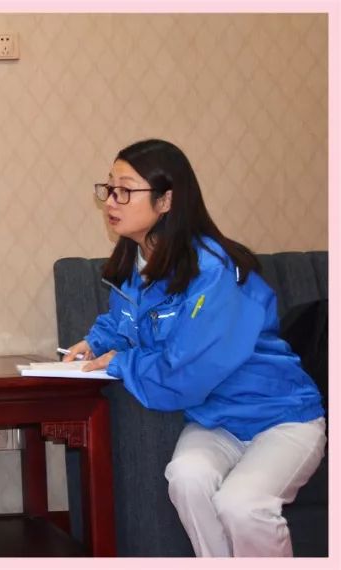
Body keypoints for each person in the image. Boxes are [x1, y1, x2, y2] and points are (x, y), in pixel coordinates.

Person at [63, 138, 326, 557]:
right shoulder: (136, 264)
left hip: (281, 419)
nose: (111, 200)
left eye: (125, 190)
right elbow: (126, 320)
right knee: (186, 478)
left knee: (242, 506)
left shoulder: (212, 271)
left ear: (166, 200)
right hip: (216, 419)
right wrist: (96, 342)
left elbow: (188, 370)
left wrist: (122, 363)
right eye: (109, 188)